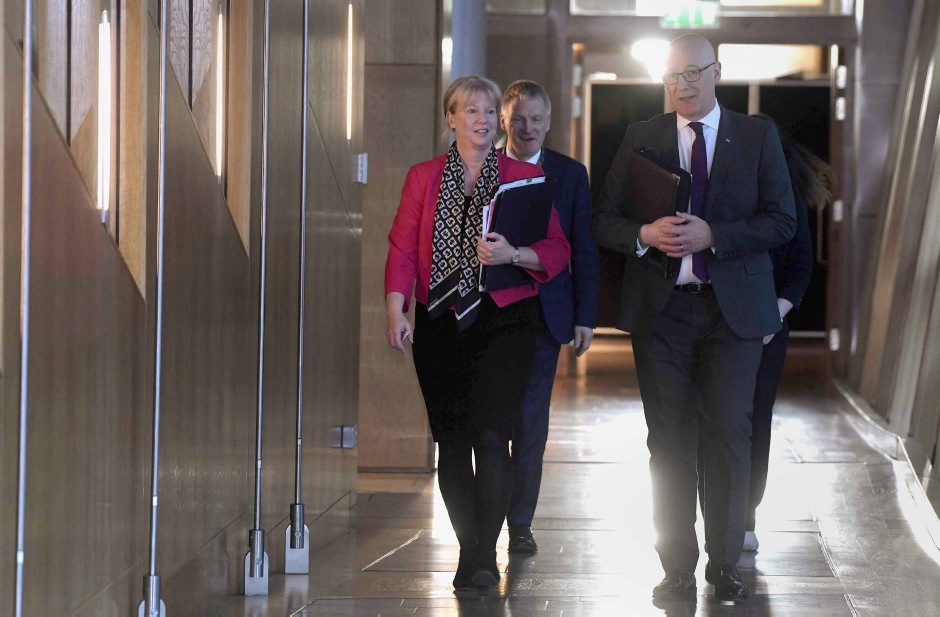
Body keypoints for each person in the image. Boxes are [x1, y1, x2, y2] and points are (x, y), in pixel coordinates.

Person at [592, 35, 796, 602]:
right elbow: (603, 219)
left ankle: (725, 564)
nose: (681, 85)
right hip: (663, 313)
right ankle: (676, 566)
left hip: (734, 316)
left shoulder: (755, 136)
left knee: (729, 433)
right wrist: (643, 233)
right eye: (671, 75)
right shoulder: (643, 136)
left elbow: (783, 221)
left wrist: (715, 237)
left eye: (692, 73)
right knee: (669, 440)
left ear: (716, 72)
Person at [385, 76, 571, 595]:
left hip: (504, 321)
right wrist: (396, 308)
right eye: (471, 111)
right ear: (451, 118)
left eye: (490, 111)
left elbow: (557, 249)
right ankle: (473, 550)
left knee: (492, 436)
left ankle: (481, 556)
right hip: (439, 322)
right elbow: (402, 247)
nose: (483, 120)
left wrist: (514, 254)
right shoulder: (423, 177)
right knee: (451, 442)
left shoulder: (524, 177)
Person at [698, 116, 830, 553]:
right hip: (717, 321)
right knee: (710, 420)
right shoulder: (721, 192)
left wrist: (771, 317)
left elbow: (800, 267)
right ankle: (714, 515)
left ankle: (745, 517)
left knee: (753, 421)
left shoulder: (785, 197)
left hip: (768, 325)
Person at [498, 80, 599, 555]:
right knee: (492, 420)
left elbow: (584, 248)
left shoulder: (570, 174)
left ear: (549, 122)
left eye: (536, 119)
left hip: (545, 312)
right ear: (504, 120)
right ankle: (486, 518)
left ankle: (520, 523)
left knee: (531, 420)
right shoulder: (484, 166)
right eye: (519, 119)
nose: (527, 128)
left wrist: (586, 315)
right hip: (491, 311)